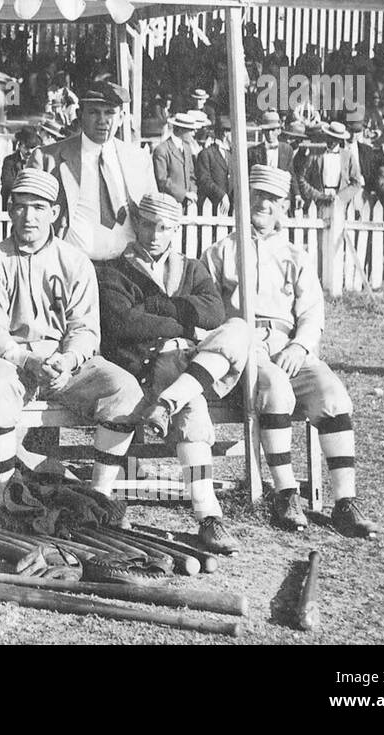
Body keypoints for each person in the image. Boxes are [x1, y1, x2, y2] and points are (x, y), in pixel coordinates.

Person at [203, 165, 379, 539]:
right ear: (243, 198)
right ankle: (286, 493)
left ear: (285, 205)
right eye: (258, 195)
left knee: (333, 394)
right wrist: (237, 344)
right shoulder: (220, 252)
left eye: (274, 198)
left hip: (288, 345)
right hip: (243, 349)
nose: (265, 204)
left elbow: (313, 312)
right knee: (275, 389)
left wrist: (300, 345)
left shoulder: (295, 255)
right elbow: (206, 311)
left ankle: (345, 502)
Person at [0, 169, 143, 521]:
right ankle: (8, 496)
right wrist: (27, 360)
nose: (28, 216)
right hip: (14, 359)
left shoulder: (74, 260)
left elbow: (85, 329)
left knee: (124, 389)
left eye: (38, 207)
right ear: (10, 210)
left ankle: (99, 497)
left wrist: (67, 360)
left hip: (65, 362)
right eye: (20, 207)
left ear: (55, 213)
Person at [94, 192, 252, 553]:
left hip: (185, 365)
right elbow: (124, 322)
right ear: (136, 222)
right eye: (147, 224)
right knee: (190, 409)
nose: (154, 235)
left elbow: (213, 313)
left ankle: (207, 515)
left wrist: (158, 309)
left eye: (164, 228)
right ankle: (202, 514)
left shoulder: (191, 268)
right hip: (140, 365)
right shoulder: (114, 268)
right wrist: (182, 325)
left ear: (175, 230)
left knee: (237, 329)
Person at [44, 80, 155, 261]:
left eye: (110, 112)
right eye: (94, 112)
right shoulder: (49, 158)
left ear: (121, 117)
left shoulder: (139, 159)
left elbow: (153, 214)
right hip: (72, 265)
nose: (102, 121)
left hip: (127, 267)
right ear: (80, 115)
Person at [296, 122, 362, 208]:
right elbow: (302, 179)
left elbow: (356, 183)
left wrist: (341, 197)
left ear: (339, 139)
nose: (331, 141)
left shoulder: (348, 156)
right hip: (318, 201)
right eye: (329, 136)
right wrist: (317, 195)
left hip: (340, 201)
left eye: (335, 138)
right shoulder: (315, 155)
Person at [0, 125, 55, 212]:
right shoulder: (9, 161)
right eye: (26, 147)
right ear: (19, 146)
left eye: (33, 148)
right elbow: (7, 183)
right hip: (13, 203)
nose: (30, 151)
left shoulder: (42, 161)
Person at [151, 112, 199, 205]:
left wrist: (192, 192)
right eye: (191, 130)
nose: (193, 134)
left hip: (187, 204)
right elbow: (162, 181)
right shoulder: (162, 150)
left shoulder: (187, 148)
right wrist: (184, 194)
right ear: (181, 130)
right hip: (169, 205)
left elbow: (191, 175)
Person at [194, 116, 233, 210]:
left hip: (232, 205)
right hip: (213, 205)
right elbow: (204, 180)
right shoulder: (206, 153)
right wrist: (221, 195)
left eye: (228, 131)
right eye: (223, 131)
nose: (225, 134)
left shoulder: (234, 155)